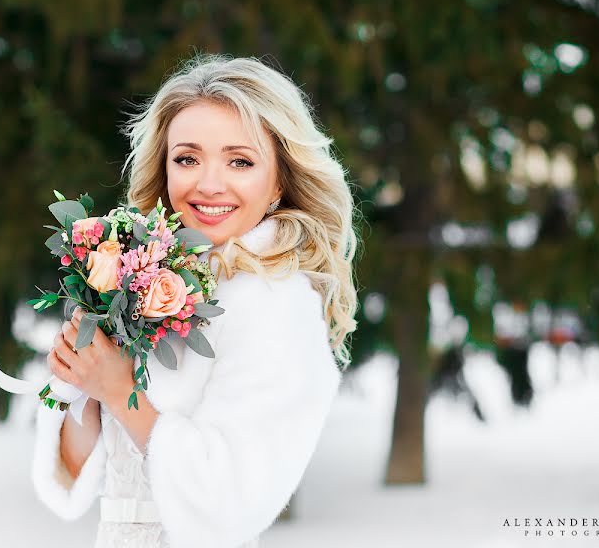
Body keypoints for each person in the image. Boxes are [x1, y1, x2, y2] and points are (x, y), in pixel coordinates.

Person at [30, 54, 361, 548]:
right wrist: (83, 377)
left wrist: (121, 390)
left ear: (278, 182)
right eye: (187, 158)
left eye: (240, 161)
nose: (208, 184)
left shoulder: (278, 303)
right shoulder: (144, 279)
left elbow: (230, 504)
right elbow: (75, 477)